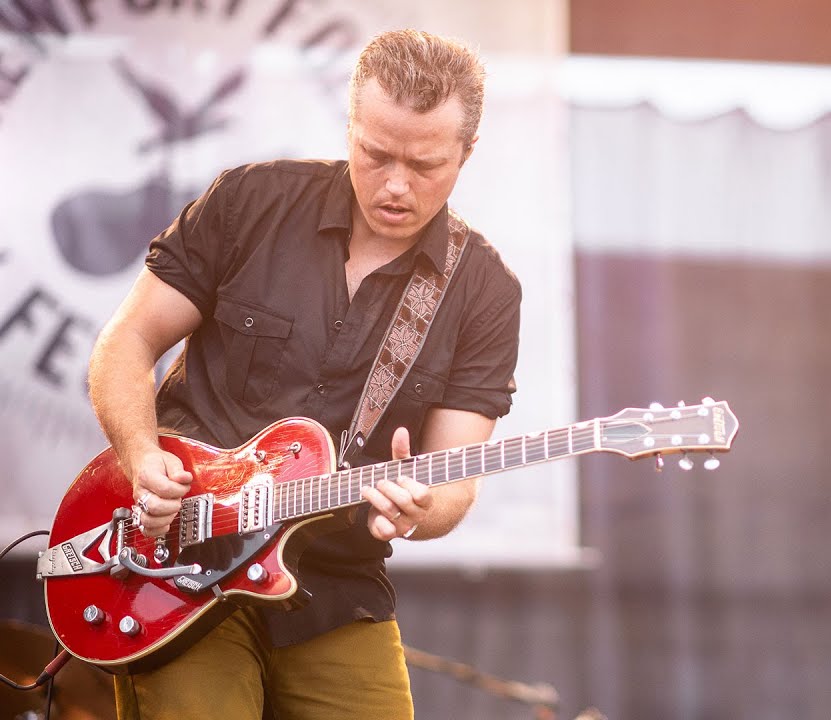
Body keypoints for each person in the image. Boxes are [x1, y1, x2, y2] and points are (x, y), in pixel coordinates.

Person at [87, 30, 521, 719]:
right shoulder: (250, 202)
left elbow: (453, 478)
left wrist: (421, 511)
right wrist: (140, 455)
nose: (396, 183)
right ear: (350, 128)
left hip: (335, 584)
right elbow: (127, 342)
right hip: (175, 562)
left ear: (465, 154)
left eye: (425, 164)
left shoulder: (485, 291)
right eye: (375, 154)